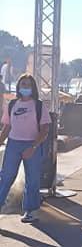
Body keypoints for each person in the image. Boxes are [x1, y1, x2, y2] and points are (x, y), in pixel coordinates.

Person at [0, 73, 50, 222]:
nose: (25, 88)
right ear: (18, 86)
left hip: (32, 144)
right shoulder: (12, 105)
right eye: (23, 84)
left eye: (28, 85)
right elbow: (6, 127)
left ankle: (31, 210)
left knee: (32, 179)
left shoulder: (39, 105)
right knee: (6, 177)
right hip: (13, 144)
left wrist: (33, 147)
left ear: (33, 87)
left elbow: (45, 129)